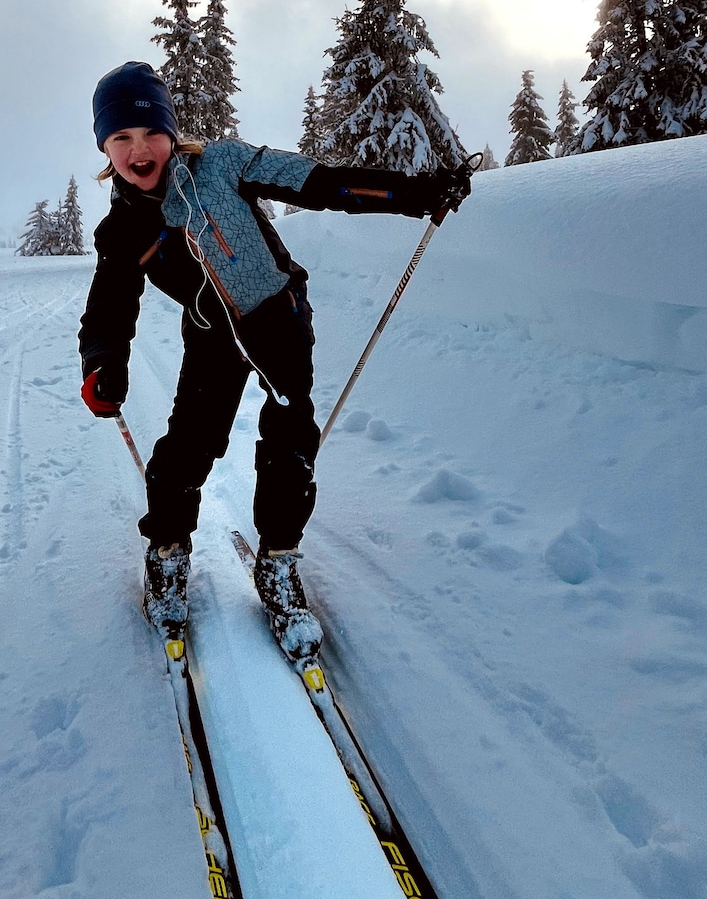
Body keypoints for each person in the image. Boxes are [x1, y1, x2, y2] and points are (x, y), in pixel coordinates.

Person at [78, 60, 471, 657]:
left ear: (172, 131)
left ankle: (279, 562)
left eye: (152, 131)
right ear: (106, 149)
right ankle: (167, 551)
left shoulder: (224, 163)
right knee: (188, 444)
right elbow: (109, 307)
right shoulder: (122, 230)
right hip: (212, 336)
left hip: (278, 320)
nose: (140, 149)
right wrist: (103, 361)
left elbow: (318, 183)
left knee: (291, 443)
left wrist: (414, 194)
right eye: (122, 137)